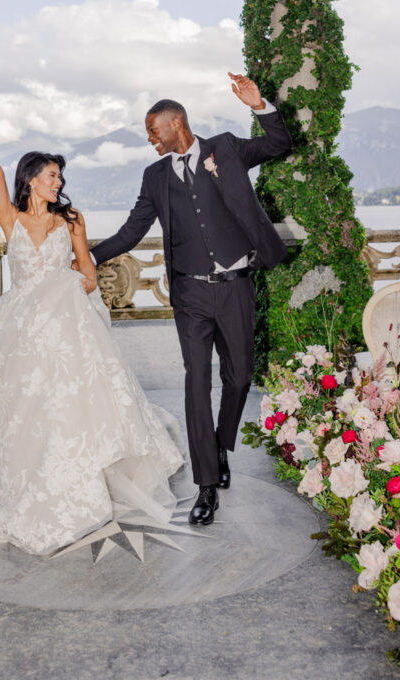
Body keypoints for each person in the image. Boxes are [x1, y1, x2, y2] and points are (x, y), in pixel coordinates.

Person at [0, 118, 183, 556]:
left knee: (69, 400)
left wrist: (69, 283)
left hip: (64, 320)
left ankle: (79, 480)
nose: (58, 182)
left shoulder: (71, 219)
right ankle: (23, 481)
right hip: (18, 326)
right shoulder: (10, 219)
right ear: (32, 180)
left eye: (60, 176)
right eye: (52, 175)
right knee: (19, 403)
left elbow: (88, 274)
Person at [86, 72, 293, 526]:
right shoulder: (155, 176)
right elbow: (131, 230)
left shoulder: (227, 148)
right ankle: (206, 485)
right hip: (190, 293)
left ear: (176, 123)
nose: (150, 141)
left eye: (152, 131)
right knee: (196, 381)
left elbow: (277, 144)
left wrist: (260, 107)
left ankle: (219, 441)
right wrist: (84, 256)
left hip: (236, 286)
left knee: (239, 378)